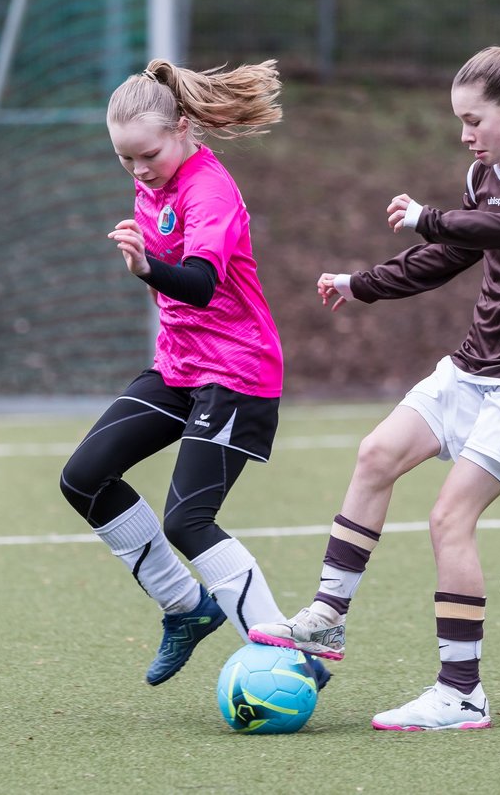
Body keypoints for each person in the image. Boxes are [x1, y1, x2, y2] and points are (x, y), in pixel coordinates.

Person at [249, 23, 500, 730]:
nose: (466, 135)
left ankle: (461, 692)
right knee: (377, 453)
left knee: (449, 518)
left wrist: (433, 219)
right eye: (460, 123)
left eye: (474, 121)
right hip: (475, 365)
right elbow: (451, 254)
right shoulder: (482, 176)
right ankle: (326, 619)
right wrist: (361, 283)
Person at [59, 58, 328, 691]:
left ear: (183, 127)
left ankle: (292, 657)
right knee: (84, 479)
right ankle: (185, 607)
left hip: (237, 369)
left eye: (147, 155)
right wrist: (150, 260)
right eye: (125, 160)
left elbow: (203, 284)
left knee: (187, 520)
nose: (138, 170)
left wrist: (147, 268)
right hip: (180, 366)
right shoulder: (154, 176)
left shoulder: (208, 189)